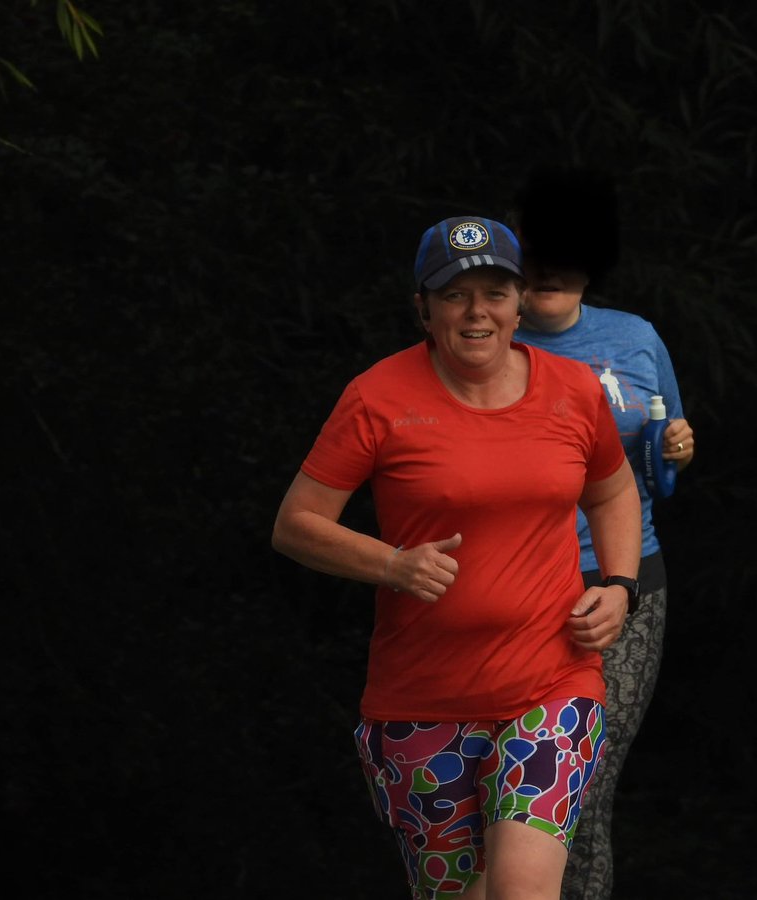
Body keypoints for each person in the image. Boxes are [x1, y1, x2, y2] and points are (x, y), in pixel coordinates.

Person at [271, 215, 643, 900]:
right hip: (421, 701)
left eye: (496, 292)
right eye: (455, 294)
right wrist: (393, 565)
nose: (478, 312)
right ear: (423, 308)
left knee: (521, 890)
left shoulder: (572, 390)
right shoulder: (377, 398)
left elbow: (614, 491)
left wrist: (619, 584)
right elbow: (295, 524)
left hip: (551, 685)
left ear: (519, 301)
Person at [512, 166, 696, 900]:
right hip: (511, 591)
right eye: (534, 255)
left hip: (623, 587)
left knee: (579, 784)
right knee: (509, 795)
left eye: (565, 254)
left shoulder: (637, 337)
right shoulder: (483, 341)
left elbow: (661, 454)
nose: (549, 269)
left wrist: (678, 448)